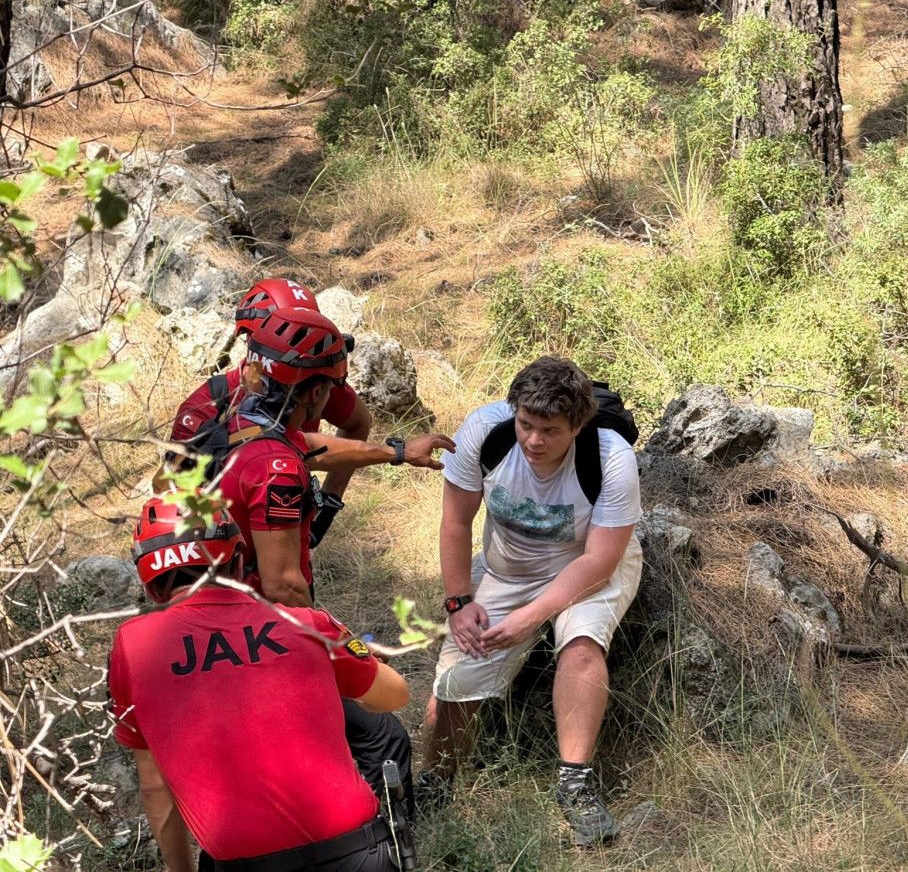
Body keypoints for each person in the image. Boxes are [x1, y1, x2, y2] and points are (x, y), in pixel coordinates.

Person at [206, 306, 452, 807]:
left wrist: (397, 452)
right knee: (383, 739)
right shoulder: (276, 470)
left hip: (221, 625)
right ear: (314, 391)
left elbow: (312, 446)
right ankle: (384, 842)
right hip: (263, 636)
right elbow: (283, 586)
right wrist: (345, 644)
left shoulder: (242, 423)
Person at [109, 496, 411, 871]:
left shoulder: (132, 647)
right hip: (355, 851)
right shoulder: (308, 624)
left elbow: (155, 786)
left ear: (152, 587)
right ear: (238, 562)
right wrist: (349, 655)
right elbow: (395, 695)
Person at [423, 356, 642, 846]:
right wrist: (459, 602)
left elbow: (600, 560)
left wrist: (532, 617)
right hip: (508, 567)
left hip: (587, 562)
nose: (534, 441)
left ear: (578, 426)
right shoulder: (486, 432)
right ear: (514, 412)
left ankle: (574, 782)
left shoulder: (610, 458)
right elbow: (455, 522)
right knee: (455, 684)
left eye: (550, 430)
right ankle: (437, 780)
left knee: (581, 644)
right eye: (526, 424)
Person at [171, 278, 373, 545]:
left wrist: (328, 505)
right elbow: (175, 499)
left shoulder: (316, 388)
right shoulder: (205, 407)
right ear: (252, 341)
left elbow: (358, 423)